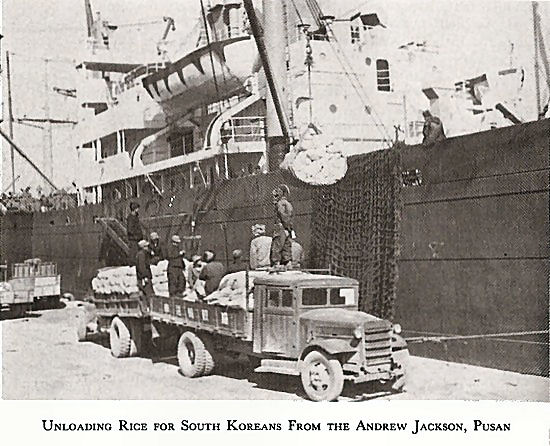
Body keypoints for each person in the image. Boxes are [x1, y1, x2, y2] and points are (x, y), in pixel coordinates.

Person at [270, 184, 293, 267]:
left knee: (277, 247)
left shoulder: (280, 203)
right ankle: (289, 265)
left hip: (281, 228)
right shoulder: (288, 204)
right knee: (286, 249)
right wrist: (289, 229)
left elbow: (283, 215)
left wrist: (285, 227)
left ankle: (276, 265)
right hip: (287, 228)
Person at [135, 239, 153, 310]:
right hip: (144, 278)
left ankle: (147, 307)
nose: (147, 248)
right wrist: (145, 276)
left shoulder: (143, 254)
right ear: (143, 247)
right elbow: (142, 267)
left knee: (147, 293)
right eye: (146, 246)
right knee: (148, 293)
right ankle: (149, 308)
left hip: (143, 278)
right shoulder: (141, 255)